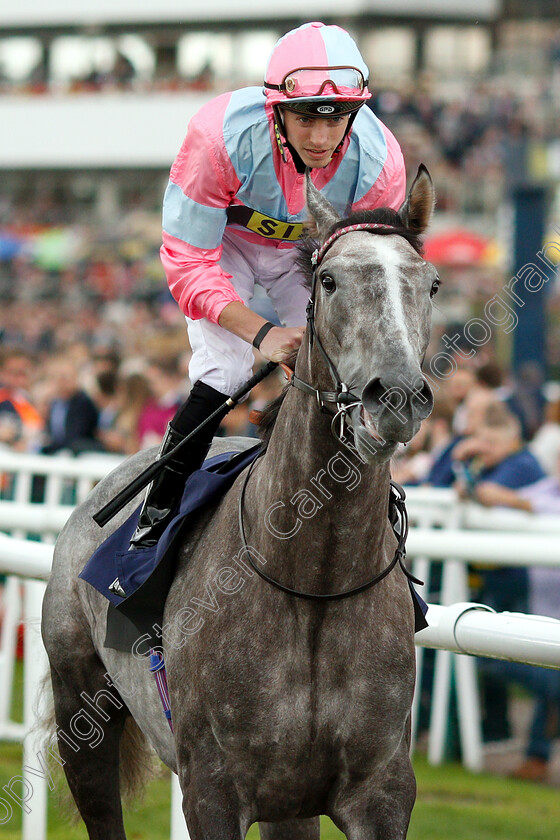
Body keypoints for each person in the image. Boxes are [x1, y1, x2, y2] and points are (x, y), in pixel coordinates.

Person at [128, 21, 407, 550]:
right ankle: (158, 508)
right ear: (275, 108)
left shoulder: (380, 162)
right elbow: (188, 263)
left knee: (342, 363)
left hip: (305, 254)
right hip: (223, 246)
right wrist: (261, 334)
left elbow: (370, 271)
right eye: (305, 119)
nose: (323, 140)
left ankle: (364, 513)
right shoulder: (219, 138)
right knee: (228, 367)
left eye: (338, 119)